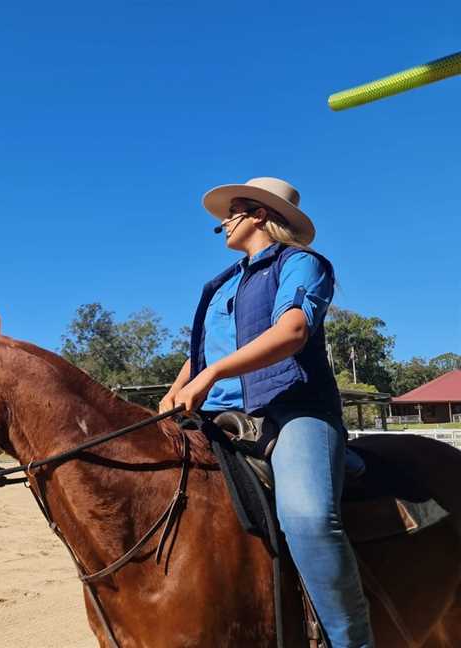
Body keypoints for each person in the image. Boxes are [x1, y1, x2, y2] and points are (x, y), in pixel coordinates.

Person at [159, 177, 374, 647]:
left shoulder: (302, 264)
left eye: (232, 210)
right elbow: (201, 353)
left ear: (259, 214)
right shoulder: (223, 285)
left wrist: (209, 376)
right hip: (216, 416)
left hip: (292, 409)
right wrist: (174, 393)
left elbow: (292, 330)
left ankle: (350, 641)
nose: (223, 221)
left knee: (307, 517)